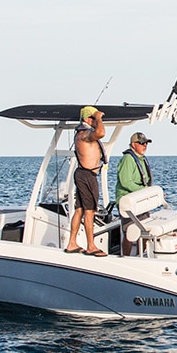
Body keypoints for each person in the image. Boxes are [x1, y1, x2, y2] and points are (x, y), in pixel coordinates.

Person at [65, 105, 108, 256]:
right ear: (87, 119)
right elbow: (101, 133)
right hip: (87, 176)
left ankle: (72, 243)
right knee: (89, 211)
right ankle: (91, 246)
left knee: (80, 209)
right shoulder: (85, 134)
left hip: (83, 174)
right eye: (93, 118)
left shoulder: (82, 133)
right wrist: (99, 117)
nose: (96, 121)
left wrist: (96, 117)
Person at [115, 131, 153, 255]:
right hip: (128, 201)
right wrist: (145, 191)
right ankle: (125, 256)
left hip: (140, 199)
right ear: (133, 144)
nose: (145, 145)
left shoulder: (141, 159)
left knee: (145, 229)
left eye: (146, 143)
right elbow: (126, 182)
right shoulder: (128, 159)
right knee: (130, 231)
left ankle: (140, 255)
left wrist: (150, 192)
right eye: (141, 143)